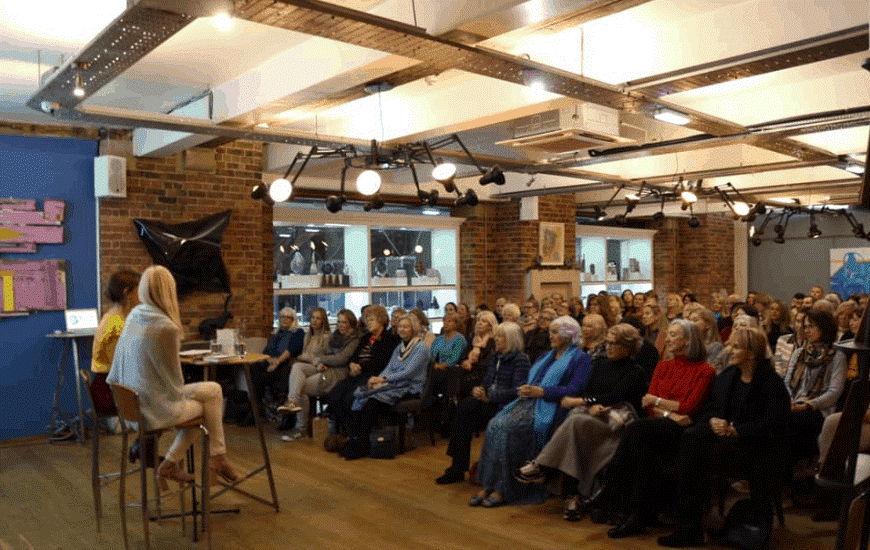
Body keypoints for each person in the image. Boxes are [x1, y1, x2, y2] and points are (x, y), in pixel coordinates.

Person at [107, 265, 242, 488]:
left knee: (214, 390)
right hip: (154, 409)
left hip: (132, 404)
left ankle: (213, 458)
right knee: (207, 407)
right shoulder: (165, 327)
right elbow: (175, 385)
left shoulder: (134, 317)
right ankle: (201, 460)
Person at [658, 327, 790, 547]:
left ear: (751, 353)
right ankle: (688, 525)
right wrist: (713, 420)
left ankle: (691, 525)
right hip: (725, 442)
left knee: (694, 449)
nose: (728, 350)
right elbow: (712, 408)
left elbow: (774, 425)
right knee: (691, 440)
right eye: (729, 345)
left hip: (756, 449)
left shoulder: (771, 383)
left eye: (736, 347)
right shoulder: (729, 377)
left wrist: (737, 430)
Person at [514, 323, 647, 521]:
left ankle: (543, 467)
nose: (609, 347)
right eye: (608, 342)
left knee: (575, 421)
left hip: (617, 422)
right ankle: (571, 496)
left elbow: (615, 396)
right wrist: (591, 404)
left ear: (627, 347)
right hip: (593, 414)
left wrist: (588, 403)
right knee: (574, 432)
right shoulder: (601, 364)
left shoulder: (635, 371)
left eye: (614, 344)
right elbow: (588, 390)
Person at [602, 319, 715, 539]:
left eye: (673, 335)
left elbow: (689, 407)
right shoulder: (663, 366)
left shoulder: (705, 370)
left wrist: (659, 402)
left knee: (637, 429)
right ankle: (638, 516)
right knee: (645, 448)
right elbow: (648, 404)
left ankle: (611, 489)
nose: (667, 339)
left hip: (684, 434)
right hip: (660, 425)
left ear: (688, 340)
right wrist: (670, 412)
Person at [470, 316, 592, 507]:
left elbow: (574, 389)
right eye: (550, 331)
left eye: (555, 332)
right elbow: (531, 380)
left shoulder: (581, 359)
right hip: (529, 402)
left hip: (552, 405)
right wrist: (527, 389)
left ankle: (505, 488)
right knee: (494, 424)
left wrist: (542, 392)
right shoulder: (546, 356)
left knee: (507, 428)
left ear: (568, 335)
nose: (550, 336)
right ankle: (490, 483)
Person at [436, 322, 531, 484]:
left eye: (501, 336)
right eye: (496, 335)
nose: (496, 339)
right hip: (488, 400)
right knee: (462, 409)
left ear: (511, 339)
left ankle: (458, 467)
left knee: (464, 412)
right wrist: (479, 389)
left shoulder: (520, 360)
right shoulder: (496, 356)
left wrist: (491, 397)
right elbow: (487, 380)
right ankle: (458, 466)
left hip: (504, 405)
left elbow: (517, 391)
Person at [339, 313, 431, 460]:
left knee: (371, 402)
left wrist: (383, 379)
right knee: (359, 397)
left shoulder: (421, 348)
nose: (402, 329)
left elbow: (408, 372)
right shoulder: (400, 347)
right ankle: (356, 441)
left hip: (410, 387)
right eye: (400, 326)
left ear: (413, 328)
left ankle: (362, 445)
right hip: (394, 384)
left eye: (406, 327)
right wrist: (377, 379)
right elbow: (389, 368)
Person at [279, 309, 361, 439]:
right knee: (297, 367)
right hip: (325, 368)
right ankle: (292, 402)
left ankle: (301, 428)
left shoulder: (354, 340)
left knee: (299, 387)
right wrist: (321, 361)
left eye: (344, 322)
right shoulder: (336, 336)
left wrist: (322, 360)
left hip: (337, 374)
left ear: (351, 323)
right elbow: (320, 352)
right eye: (339, 322)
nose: (340, 325)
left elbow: (341, 359)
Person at [324, 306, 400, 444]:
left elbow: (381, 362)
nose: (368, 323)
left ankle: (356, 435)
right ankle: (349, 431)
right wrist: (352, 365)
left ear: (381, 321)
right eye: (367, 320)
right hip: (357, 373)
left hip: (373, 375)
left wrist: (361, 367)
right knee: (334, 395)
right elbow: (354, 356)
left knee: (350, 398)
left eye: (372, 320)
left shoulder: (389, 339)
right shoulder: (366, 338)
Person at [783, 309, 846, 470]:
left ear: (824, 328)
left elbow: (834, 391)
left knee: (789, 421)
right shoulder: (799, 353)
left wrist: (807, 405)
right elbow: (787, 381)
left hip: (820, 409)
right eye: (805, 326)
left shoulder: (837, 356)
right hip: (794, 403)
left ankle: (792, 469)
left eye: (811, 326)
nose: (806, 330)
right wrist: (791, 401)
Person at [91, 269, 140, 414]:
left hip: (109, 386)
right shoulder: (117, 323)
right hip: (111, 393)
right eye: (139, 291)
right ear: (127, 293)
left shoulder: (113, 316)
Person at [252, 307, 305, 411]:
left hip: (284, 364)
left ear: (293, 319)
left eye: (288, 317)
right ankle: (257, 404)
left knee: (285, 369)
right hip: (271, 364)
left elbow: (290, 351)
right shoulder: (276, 334)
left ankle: (281, 404)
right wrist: (270, 360)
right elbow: (266, 352)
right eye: (282, 317)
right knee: (253, 366)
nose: (285, 319)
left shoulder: (298, 332)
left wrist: (277, 362)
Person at [457, 310, 498, 398]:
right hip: (467, 372)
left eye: (484, 321)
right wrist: (464, 362)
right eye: (478, 320)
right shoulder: (472, 339)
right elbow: (462, 357)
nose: (480, 323)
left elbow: (488, 363)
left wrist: (471, 365)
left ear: (490, 326)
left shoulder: (492, 342)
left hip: (482, 375)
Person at [430, 311, 469, 400]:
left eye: (449, 321)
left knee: (432, 376)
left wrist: (441, 365)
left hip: (450, 369)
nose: (446, 323)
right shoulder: (439, 339)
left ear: (456, 324)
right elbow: (431, 354)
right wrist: (434, 365)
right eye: (444, 321)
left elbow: (455, 358)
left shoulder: (460, 339)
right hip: (435, 367)